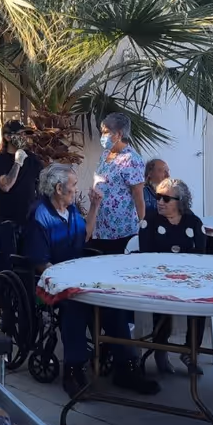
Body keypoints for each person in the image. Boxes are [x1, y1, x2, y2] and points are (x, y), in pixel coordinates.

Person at [24, 163, 160, 399]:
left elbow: (85, 234)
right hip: (52, 281)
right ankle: (73, 371)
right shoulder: (40, 216)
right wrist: (65, 281)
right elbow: (40, 262)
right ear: (59, 188)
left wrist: (95, 206)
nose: (76, 190)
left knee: (113, 303)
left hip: (79, 276)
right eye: (73, 185)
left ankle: (125, 367)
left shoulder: (71, 210)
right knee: (76, 306)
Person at [138, 177, 206, 376]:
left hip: (188, 279)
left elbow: (201, 255)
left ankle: (190, 351)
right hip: (157, 277)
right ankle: (160, 349)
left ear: (180, 202)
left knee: (201, 302)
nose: (160, 202)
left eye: (166, 199)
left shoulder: (193, 222)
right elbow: (146, 255)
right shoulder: (149, 221)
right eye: (158, 197)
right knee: (164, 301)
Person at [0, 119, 44, 272]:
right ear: (7, 137)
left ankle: (23, 296)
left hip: (28, 221)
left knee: (27, 266)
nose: (24, 137)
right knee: (7, 265)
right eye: (20, 134)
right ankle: (4, 295)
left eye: (26, 134)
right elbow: (5, 185)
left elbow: (41, 185)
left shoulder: (32, 160)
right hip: (6, 222)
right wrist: (17, 163)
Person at [91, 112, 146, 254]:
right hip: (101, 226)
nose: (103, 136)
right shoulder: (106, 154)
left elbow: (138, 194)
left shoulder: (131, 159)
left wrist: (143, 225)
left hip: (121, 230)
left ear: (119, 134)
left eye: (106, 132)